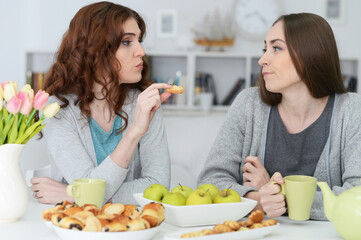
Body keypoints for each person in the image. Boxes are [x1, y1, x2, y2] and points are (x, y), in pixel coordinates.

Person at [197, 13, 361, 220]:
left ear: (310, 54)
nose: (262, 60)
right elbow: (209, 182)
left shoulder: (352, 111)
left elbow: (357, 195)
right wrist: (258, 199)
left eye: (276, 48)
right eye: (265, 49)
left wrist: (278, 195)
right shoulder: (248, 104)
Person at [30, 1, 173, 205]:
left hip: (132, 228)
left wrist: (71, 194)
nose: (141, 51)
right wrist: (133, 134)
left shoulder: (145, 104)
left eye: (139, 40)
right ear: (94, 50)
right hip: (74, 227)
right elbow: (90, 187)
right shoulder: (57, 110)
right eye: (126, 42)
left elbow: (158, 187)